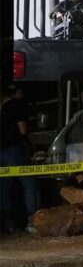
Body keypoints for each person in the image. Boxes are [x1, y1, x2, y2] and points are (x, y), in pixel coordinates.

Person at [0, 85, 41, 233]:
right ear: (17, 92)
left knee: (5, 186)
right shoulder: (15, 105)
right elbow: (23, 130)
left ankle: (7, 222)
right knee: (30, 183)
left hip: (1, 151)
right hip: (13, 151)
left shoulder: (2, 108)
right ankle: (33, 219)